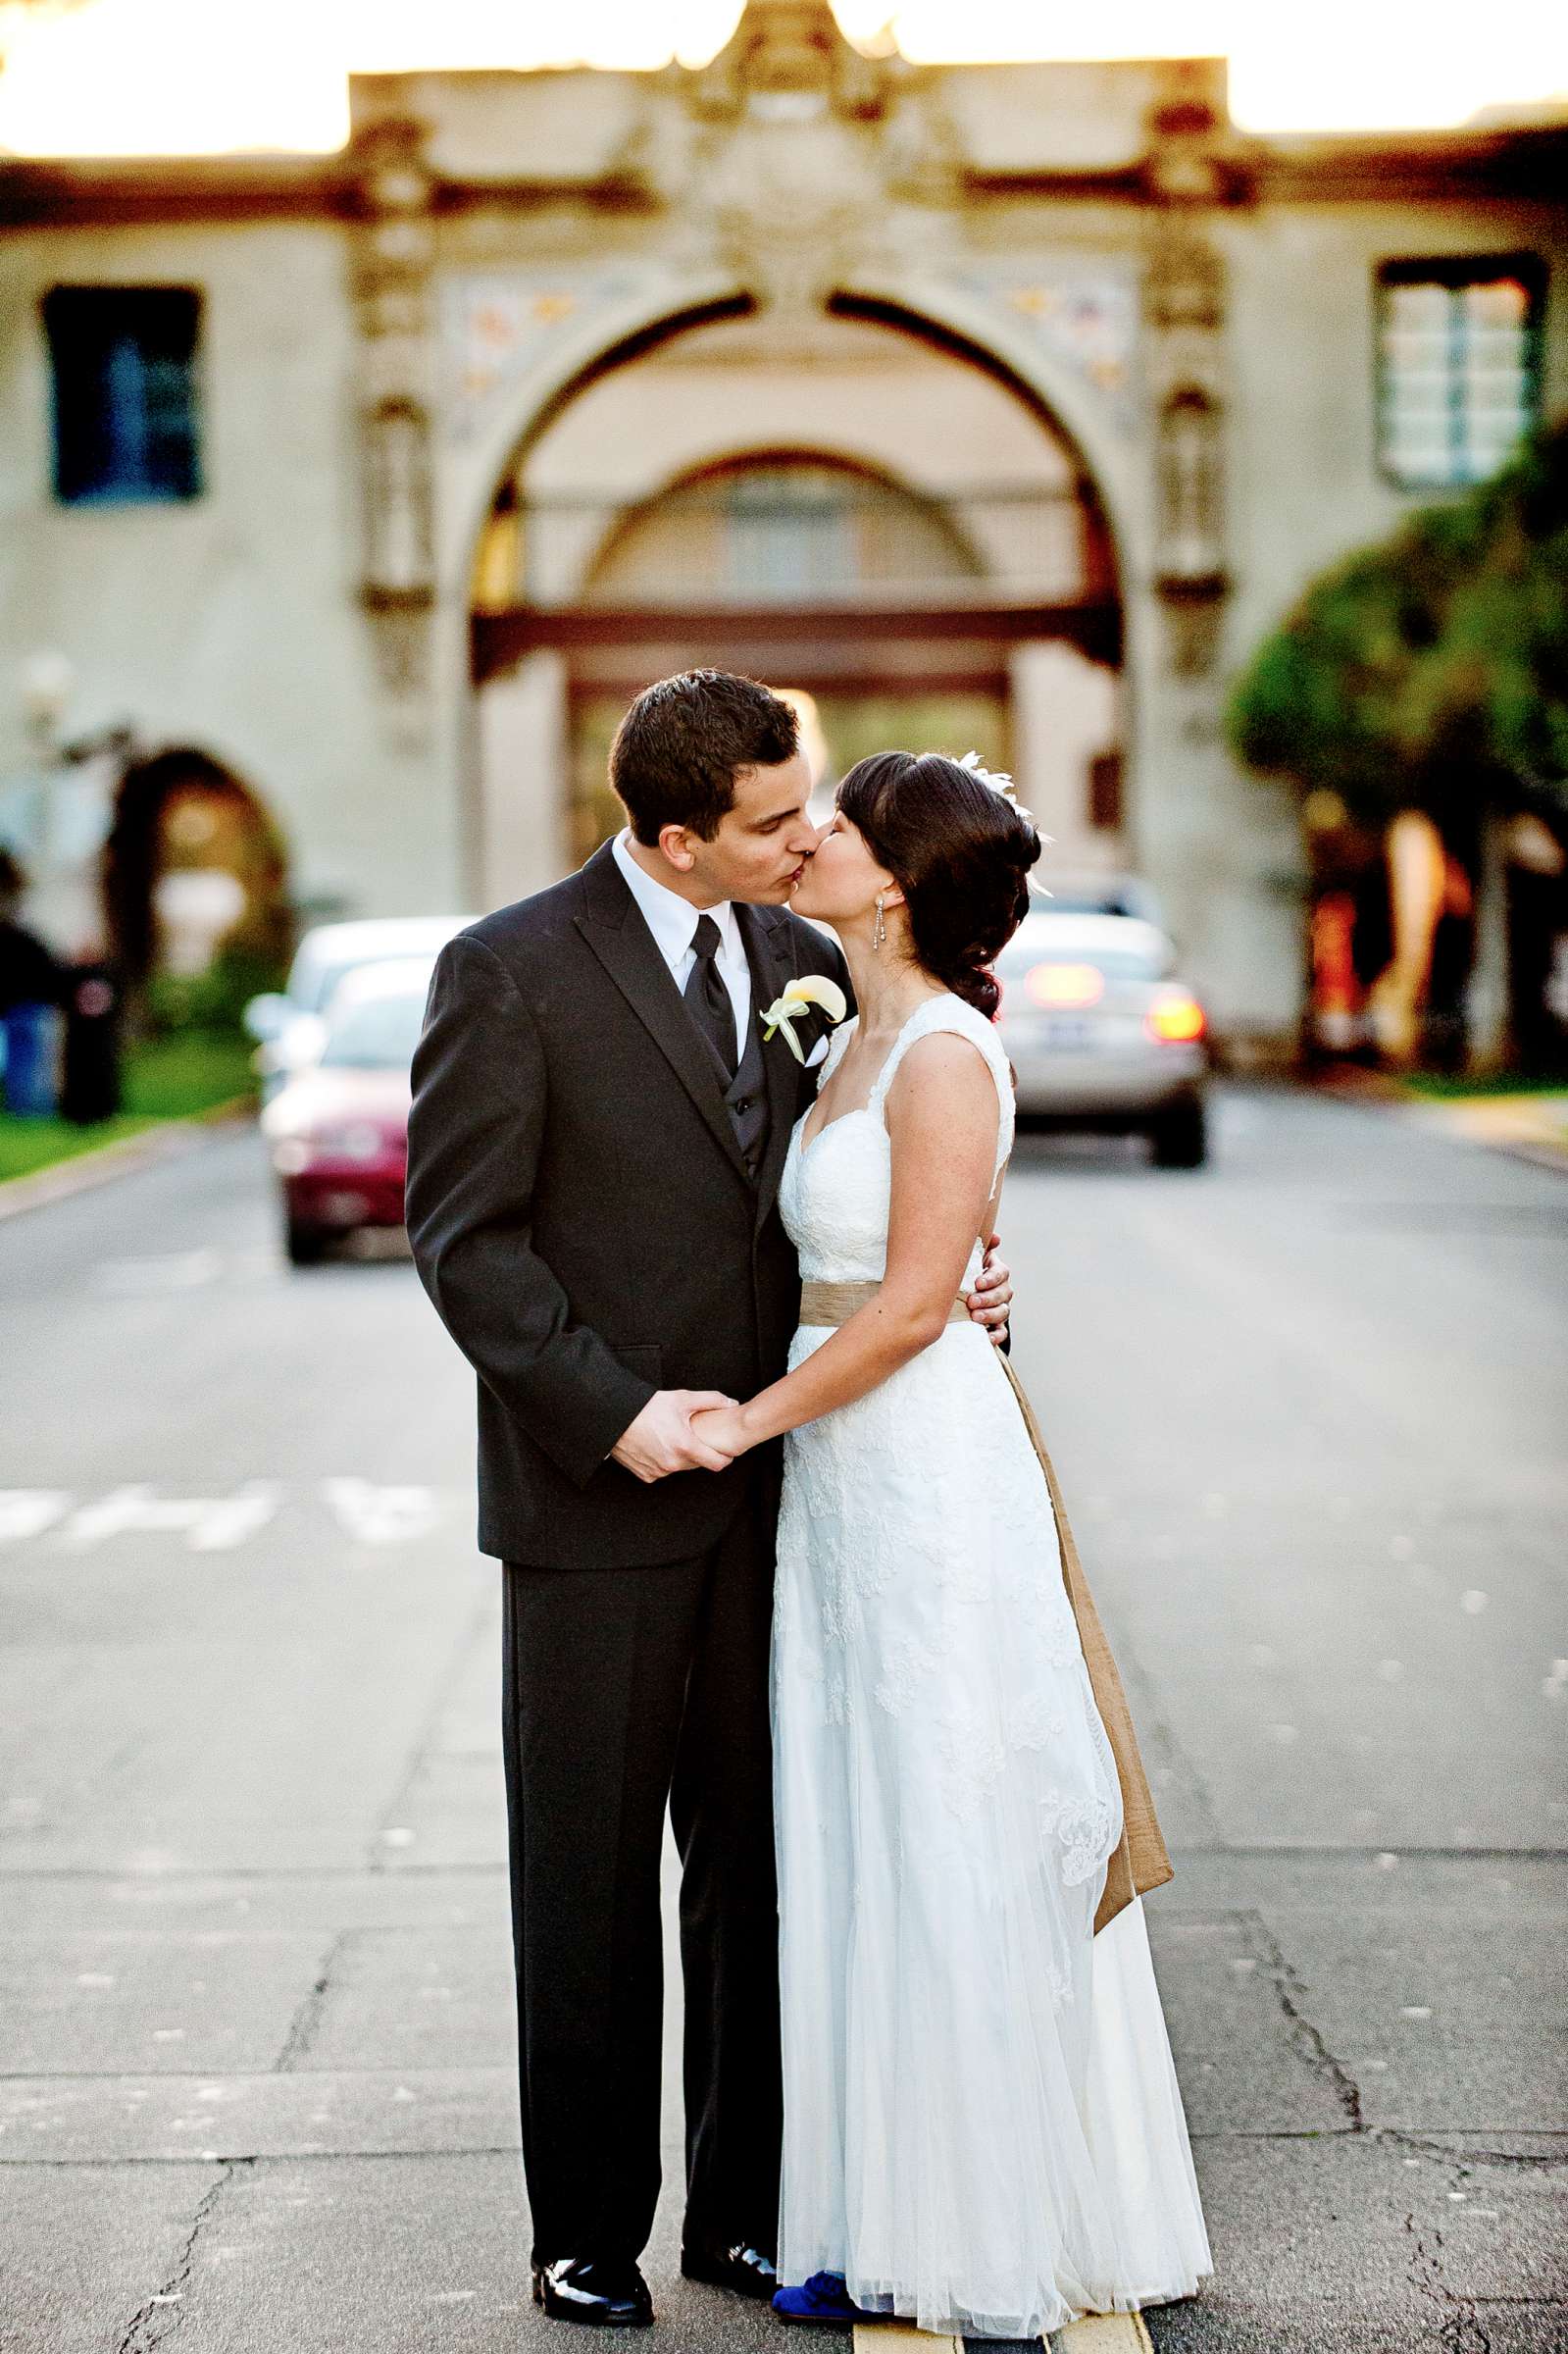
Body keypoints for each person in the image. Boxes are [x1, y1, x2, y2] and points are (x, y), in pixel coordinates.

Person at [402, 675, 1011, 2329]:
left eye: (809, 803)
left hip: (791, 1500)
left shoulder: (807, 963)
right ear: (678, 837)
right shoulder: (509, 971)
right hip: (594, 1512)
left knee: (759, 1866)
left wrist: (949, 1284)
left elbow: (851, 1202)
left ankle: (741, 2212)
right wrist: (619, 1417)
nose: (811, 833)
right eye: (773, 820)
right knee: (588, 1878)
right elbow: (469, 1246)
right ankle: (586, 2228)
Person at [687, 750, 1214, 2337]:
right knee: (858, 1814)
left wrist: (744, 1420)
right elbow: (923, 1269)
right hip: (847, 1486)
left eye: (834, 826)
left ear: (900, 880)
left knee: (946, 1814)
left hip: (916, 1474)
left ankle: (991, 2224)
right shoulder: (850, 1031)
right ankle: (876, 2208)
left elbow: (919, 1305)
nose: (808, 839)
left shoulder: (942, 1056)